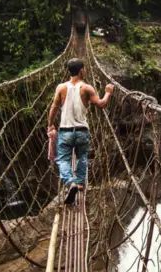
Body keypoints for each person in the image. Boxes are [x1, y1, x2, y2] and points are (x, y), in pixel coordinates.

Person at [47, 58, 114, 204]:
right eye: (85, 68)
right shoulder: (87, 88)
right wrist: (108, 92)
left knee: (62, 159)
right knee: (82, 157)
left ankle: (70, 182)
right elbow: (102, 104)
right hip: (82, 131)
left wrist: (50, 125)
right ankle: (80, 184)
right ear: (81, 70)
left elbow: (54, 108)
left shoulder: (61, 88)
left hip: (65, 131)